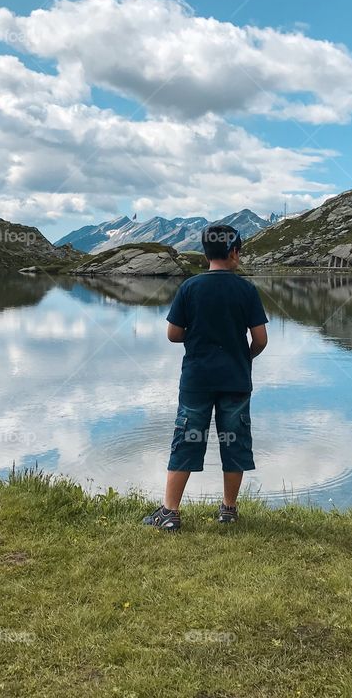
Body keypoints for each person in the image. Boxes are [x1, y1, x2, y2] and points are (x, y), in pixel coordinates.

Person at [142, 224, 269, 532]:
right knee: (234, 440)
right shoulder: (246, 289)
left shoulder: (190, 287)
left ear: (205, 253)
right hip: (236, 380)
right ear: (235, 252)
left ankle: (170, 512)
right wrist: (243, 356)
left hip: (196, 380)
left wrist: (195, 336)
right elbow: (261, 339)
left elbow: (173, 334)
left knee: (186, 438)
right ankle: (228, 509)